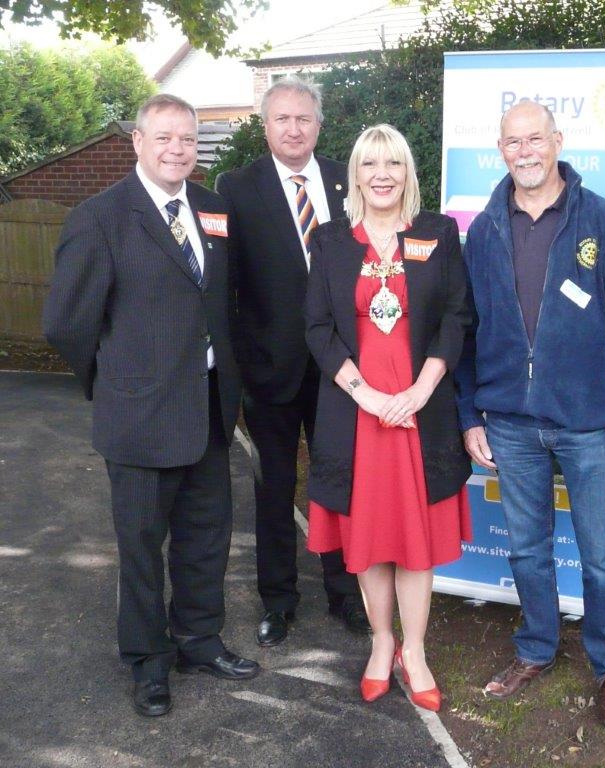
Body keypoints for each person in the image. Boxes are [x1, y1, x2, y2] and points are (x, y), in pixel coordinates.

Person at [43, 94, 259, 718]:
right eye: (164, 138)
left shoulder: (214, 210)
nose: (177, 150)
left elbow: (223, 303)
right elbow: (65, 323)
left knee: (206, 540)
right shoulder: (100, 217)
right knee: (141, 547)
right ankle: (148, 661)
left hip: (209, 413)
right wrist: (113, 379)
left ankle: (198, 640)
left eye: (188, 140)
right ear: (137, 142)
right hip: (138, 417)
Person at [455, 101, 605, 728]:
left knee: (600, 552)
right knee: (527, 547)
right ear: (501, 149)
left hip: (588, 420)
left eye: (535, 139)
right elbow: (464, 330)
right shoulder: (485, 226)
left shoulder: (600, 219)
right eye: (512, 141)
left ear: (557, 141)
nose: (525, 151)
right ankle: (536, 648)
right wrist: (469, 414)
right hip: (508, 419)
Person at [304, 124, 473, 713]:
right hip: (358, 418)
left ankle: (416, 650)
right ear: (354, 174)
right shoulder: (329, 242)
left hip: (419, 416)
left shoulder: (437, 234)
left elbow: (457, 316)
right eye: (370, 163)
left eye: (393, 163)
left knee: (415, 541)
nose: (382, 174)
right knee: (372, 539)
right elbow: (318, 329)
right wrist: (366, 395)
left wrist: (423, 388)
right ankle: (381, 643)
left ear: (408, 172)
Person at [215, 78, 367, 645]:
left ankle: (346, 594)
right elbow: (225, 288)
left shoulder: (344, 180)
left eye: (304, 118)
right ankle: (278, 601)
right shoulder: (236, 187)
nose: (294, 128)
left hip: (341, 371)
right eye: (282, 119)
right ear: (266, 125)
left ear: (319, 125)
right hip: (269, 371)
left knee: (338, 485)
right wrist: (237, 368)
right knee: (273, 490)